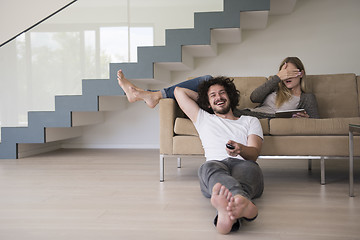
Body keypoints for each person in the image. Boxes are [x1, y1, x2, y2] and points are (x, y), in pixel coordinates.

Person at [174, 76, 264, 234]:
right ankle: (245, 207)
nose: (219, 97)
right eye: (213, 95)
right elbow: (178, 91)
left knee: (248, 170)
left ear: (230, 96)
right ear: (207, 103)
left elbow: (254, 153)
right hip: (215, 164)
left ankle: (224, 214)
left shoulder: (250, 121)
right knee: (207, 168)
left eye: (222, 93)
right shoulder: (203, 117)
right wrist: (205, 101)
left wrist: (240, 149)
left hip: (244, 163)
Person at [117, 56, 319, 118]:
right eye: (284, 74)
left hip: (242, 116)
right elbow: (256, 98)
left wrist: (304, 120)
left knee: (199, 83)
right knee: (206, 78)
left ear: (301, 74)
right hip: (240, 111)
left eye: (291, 73)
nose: (287, 77)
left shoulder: (307, 98)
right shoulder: (274, 89)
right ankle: (153, 95)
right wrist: (277, 78)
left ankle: (151, 96)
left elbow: (317, 123)